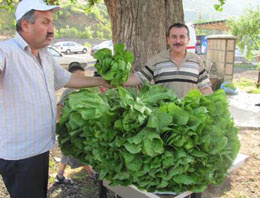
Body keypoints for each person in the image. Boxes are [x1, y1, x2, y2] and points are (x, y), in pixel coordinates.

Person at [0, 0, 109, 198]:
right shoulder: (6, 51)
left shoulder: (44, 55)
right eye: (45, 23)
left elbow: (68, 79)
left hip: (40, 148)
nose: (52, 30)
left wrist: (102, 80)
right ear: (25, 25)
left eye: (52, 22)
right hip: (21, 153)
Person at [124, 23, 213, 98]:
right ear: (168, 40)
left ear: (188, 40)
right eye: (174, 37)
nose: (178, 41)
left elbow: (205, 88)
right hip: (164, 115)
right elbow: (138, 78)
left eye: (182, 37)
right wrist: (112, 82)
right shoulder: (157, 60)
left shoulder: (196, 60)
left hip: (190, 115)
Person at [55, 63, 97, 185]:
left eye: (83, 76)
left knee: (70, 151)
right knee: (77, 150)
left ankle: (60, 175)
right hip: (70, 127)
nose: (82, 78)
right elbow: (59, 106)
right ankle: (92, 173)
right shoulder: (69, 91)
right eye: (79, 76)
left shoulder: (82, 91)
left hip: (78, 128)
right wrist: (59, 123)